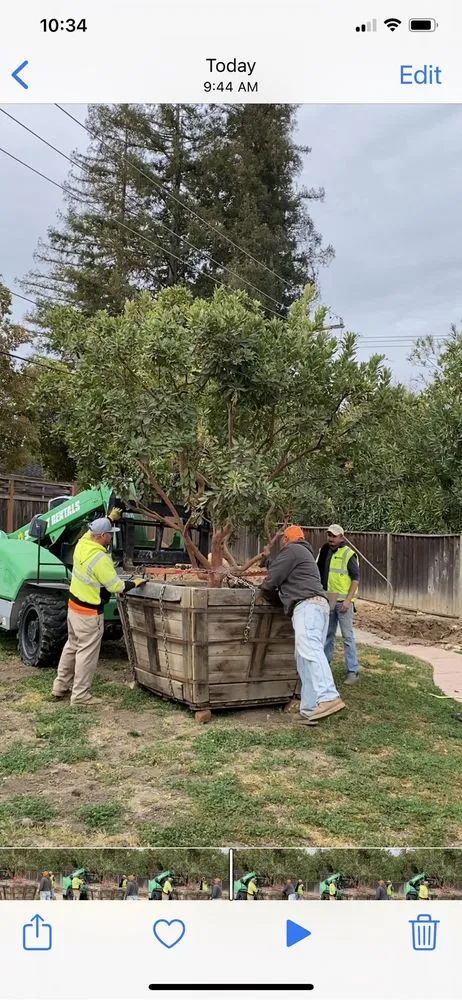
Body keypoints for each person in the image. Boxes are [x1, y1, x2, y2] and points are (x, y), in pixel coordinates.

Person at [52, 512, 146, 706]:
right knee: (86, 654)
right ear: (102, 536)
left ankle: (60, 687)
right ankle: (80, 696)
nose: (111, 536)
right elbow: (116, 587)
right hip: (89, 614)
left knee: (71, 647)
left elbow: (91, 531)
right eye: (110, 533)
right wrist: (136, 583)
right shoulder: (100, 559)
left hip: (74, 608)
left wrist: (110, 518)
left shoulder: (82, 544)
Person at [260, 525, 345, 723]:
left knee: (311, 650)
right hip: (316, 606)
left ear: (286, 540)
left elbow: (273, 579)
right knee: (304, 660)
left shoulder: (293, 549)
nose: (282, 545)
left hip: (307, 606)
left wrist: (264, 589)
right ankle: (310, 709)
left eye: (282, 541)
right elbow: (280, 568)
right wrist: (268, 561)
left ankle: (329, 696)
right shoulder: (302, 553)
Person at [317, 524, 360, 685]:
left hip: (343, 603)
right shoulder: (324, 551)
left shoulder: (349, 554)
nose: (331, 538)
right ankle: (324, 666)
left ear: (342, 537)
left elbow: (356, 579)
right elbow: (318, 571)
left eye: (334, 536)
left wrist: (348, 600)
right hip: (329, 600)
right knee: (328, 634)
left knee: (347, 637)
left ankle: (352, 671)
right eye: (329, 535)